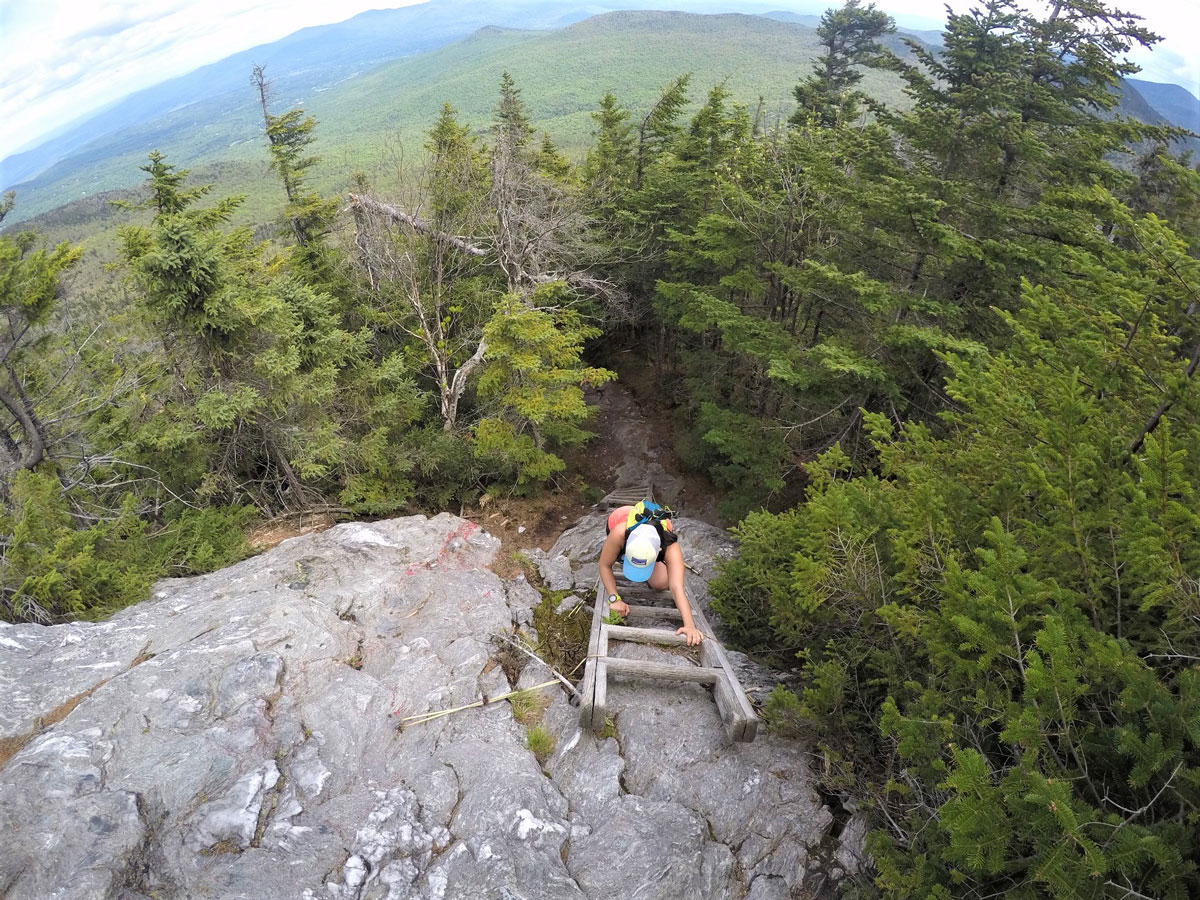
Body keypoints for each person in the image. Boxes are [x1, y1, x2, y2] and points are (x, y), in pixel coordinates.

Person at [598, 502, 704, 647]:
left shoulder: (670, 546)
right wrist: (614, 598)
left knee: (661, 583)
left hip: (654, 540)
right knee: (609, 554)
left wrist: (689, 625)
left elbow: (676, 587)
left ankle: (649, 566)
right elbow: (604, 565)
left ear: (658, 550)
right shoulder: (619, 533)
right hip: (621, 516)